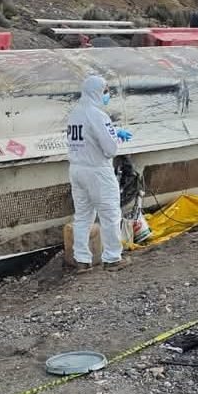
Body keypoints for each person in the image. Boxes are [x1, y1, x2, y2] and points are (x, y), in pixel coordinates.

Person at [66, 75, 133, 272]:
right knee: (110, 214)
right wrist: (115, 136)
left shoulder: (75, 113)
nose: (107, 95)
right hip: (97, 170)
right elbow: (110, 149)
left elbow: (86, 136)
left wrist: (113, 130)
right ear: (97, 92)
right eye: (105, 91)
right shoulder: (97, 114)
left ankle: (82, 260)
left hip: (77, 170)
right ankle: (112, 258)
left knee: (83, 217)